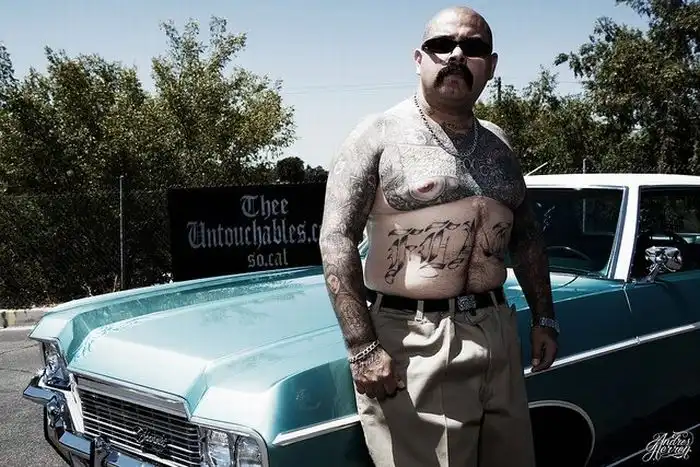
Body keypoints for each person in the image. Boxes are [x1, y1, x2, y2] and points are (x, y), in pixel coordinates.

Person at [318, 5, 559, 467]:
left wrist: (544, 318)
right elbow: (336, 238)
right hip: (413, 344)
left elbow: (527, 236)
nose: (456, 55)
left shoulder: (499, 143)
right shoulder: (378, 134)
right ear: (419, 58)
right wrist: (362, 347)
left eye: (472, 47)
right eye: (441, 45)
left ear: (491, 65)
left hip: (497, 331)